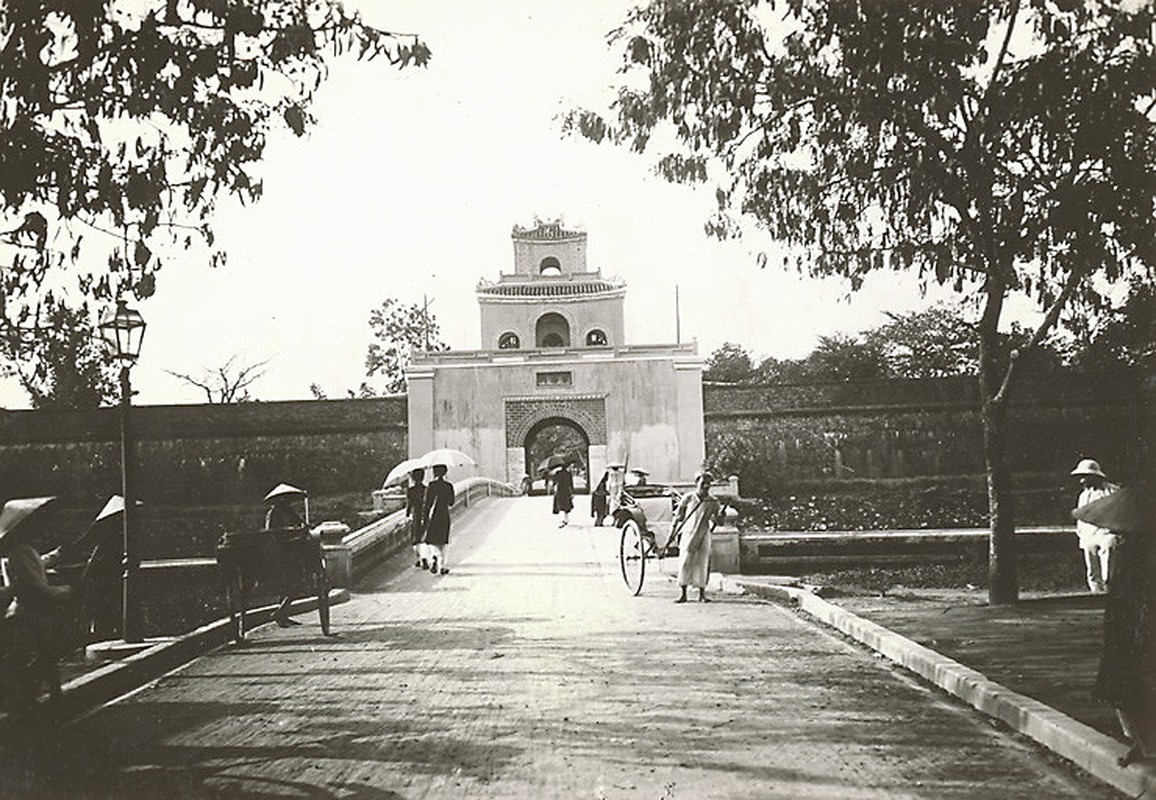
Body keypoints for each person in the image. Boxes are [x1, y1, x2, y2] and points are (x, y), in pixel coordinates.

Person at [1080, 487, 1156, 767]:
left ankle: (1145, 743)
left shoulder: (1134, 554)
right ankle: (1142, 742)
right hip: (1129, 627)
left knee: (1130, 687)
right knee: (1126, 688)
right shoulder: (1127, 551)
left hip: (1135, 628)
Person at [0, 497, 73, 715]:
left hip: (32, 613)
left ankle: (36, 699)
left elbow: (38, 563)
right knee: (40, 658)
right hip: (30, 615)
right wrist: (65, 591)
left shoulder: (24, 551)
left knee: (42, 658)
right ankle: (33, 701)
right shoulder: (20, 553)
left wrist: (56, 556)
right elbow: (35, 586)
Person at [671, 470, 722, 604]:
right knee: (685, 562)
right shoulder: (688, 498)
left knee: (702, 562)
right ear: (696, 483)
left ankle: (702, 594)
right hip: (688, 533)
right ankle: (683, 594)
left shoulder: (713, 501)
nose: (705, 486)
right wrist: (673, 532)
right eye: (703, 483)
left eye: (708, 484)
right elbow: (678, 517)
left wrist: (721, 516)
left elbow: (720, 521)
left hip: (704, 533)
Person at [1071, 458, 1120, 593]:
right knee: (1091, 561)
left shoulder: (1112, 491)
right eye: (1081, 477)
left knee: (1109, 548)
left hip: (1107, 533)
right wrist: (1081, 533)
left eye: (1085, 477)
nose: (1082, 480)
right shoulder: (1083, 495)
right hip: (1089, 533)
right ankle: (1096, 591)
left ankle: (1109, 587)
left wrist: (1113, 530)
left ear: (1094, 476)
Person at [263, 489, 307, 627]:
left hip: (290, 551)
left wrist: (303, 526)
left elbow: (300, 522)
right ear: (279, 500)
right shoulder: (273, 513)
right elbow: (270, 532)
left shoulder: (288, 511)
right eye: (285, 500)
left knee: (291, 585)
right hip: (279, 552)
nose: (288, 502)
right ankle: (281, 612)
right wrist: (287, 531)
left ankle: (283, 614)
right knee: (292, 584)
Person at [423, 464, 455, 575]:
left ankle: (434, 556)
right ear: (445, 472)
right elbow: (451, 502)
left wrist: (425, 517)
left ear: (434, 472)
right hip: (444, 515)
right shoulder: (448, 486)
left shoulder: (431, 485)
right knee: (443, 540)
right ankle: (442, 566)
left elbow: (427, 503)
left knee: (432, 539)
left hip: (433, 516)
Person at [406, 468, 428, 569]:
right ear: (423, 477)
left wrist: (407, 515)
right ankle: (424, 558)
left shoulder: (410, 490)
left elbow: (409, 505)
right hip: (425, 515)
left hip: (416, 515)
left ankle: (419, 559)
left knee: (416, 538)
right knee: (423, 537)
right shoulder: (426, 489)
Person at [552, 463, 574, 527]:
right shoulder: (568, 473)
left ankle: (564, 518)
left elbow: (555, 481)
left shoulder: (558, 473)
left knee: (561, 504)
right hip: (566, 490)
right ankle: (566, 518)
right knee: (566, 505)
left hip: (560, 490)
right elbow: (571, 483)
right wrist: (572, 491)